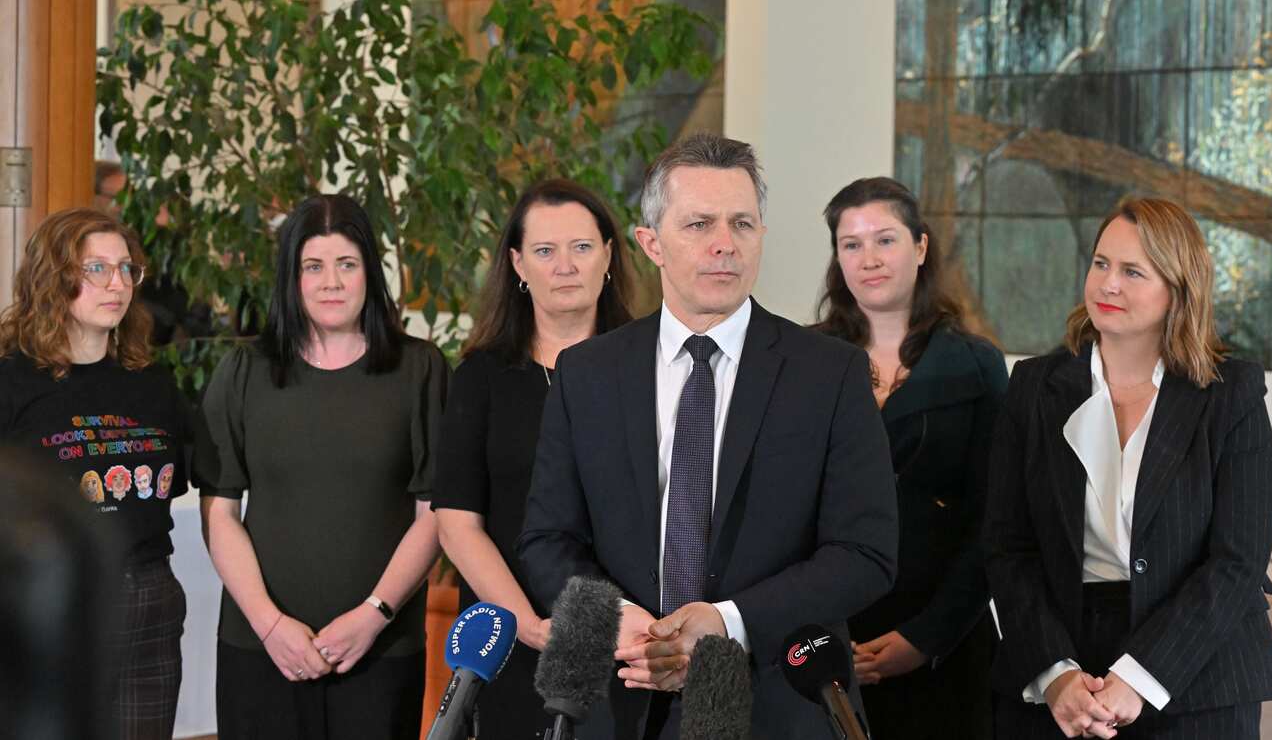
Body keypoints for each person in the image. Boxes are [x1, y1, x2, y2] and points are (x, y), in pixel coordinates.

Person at [518, 134, 898, 739]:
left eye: (742, 223)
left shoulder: (829, 374)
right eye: (699, 224)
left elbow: (866, 555)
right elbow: (547, 539)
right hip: (623, 703)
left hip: (774, 702)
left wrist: (727, 621)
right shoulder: (587, 374)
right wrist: (624, 624)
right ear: (651, 244)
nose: (725, 243)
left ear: (761, 237)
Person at [986, 197, 1272, 739]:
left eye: (1132, 271)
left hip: (1196, 677)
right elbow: (1008, 548)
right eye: (1100, 263)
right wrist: (1056, 675)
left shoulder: (1231, 394)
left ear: (1177, 288)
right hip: (1059, 670)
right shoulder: (1033, 387)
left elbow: (1237, 562)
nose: (1107, 285)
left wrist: (1141, 676)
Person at [196, 194, 449, 740]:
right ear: (292, 277)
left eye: (347, 264)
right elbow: (219, 516)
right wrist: (270, 625)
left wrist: (373, 615)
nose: (331, 282)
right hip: (261, 647)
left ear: (369, 274)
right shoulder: (243, 372)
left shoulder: (419, 370)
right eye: (314, 266)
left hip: (380, 647)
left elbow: (435, 513)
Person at [433, 179, 634, 739]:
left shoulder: (652, 368)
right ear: (519, 265)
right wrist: (528, 625)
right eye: (545, 251)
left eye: (582, 247)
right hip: (512, 633)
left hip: (629, 633)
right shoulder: (482, 377)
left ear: (609, 256)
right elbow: (455, 521)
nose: (565, 265)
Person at [0, 207, 204, 740]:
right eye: (96, 269)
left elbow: (181, 479)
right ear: (54, 277)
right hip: (52, 600)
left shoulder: (150, 382)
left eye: (126, 269)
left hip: (150, 598)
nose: (116, 284)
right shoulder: (11, 381)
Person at [815, 177, 1006, 739]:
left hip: (943, 646)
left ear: (920, 248)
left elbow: (995, 523)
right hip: (824, 640)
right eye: (851, 244)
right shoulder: (805, 360)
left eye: (885, 240)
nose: (868, 259)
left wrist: (924, 639)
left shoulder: (976, 367)